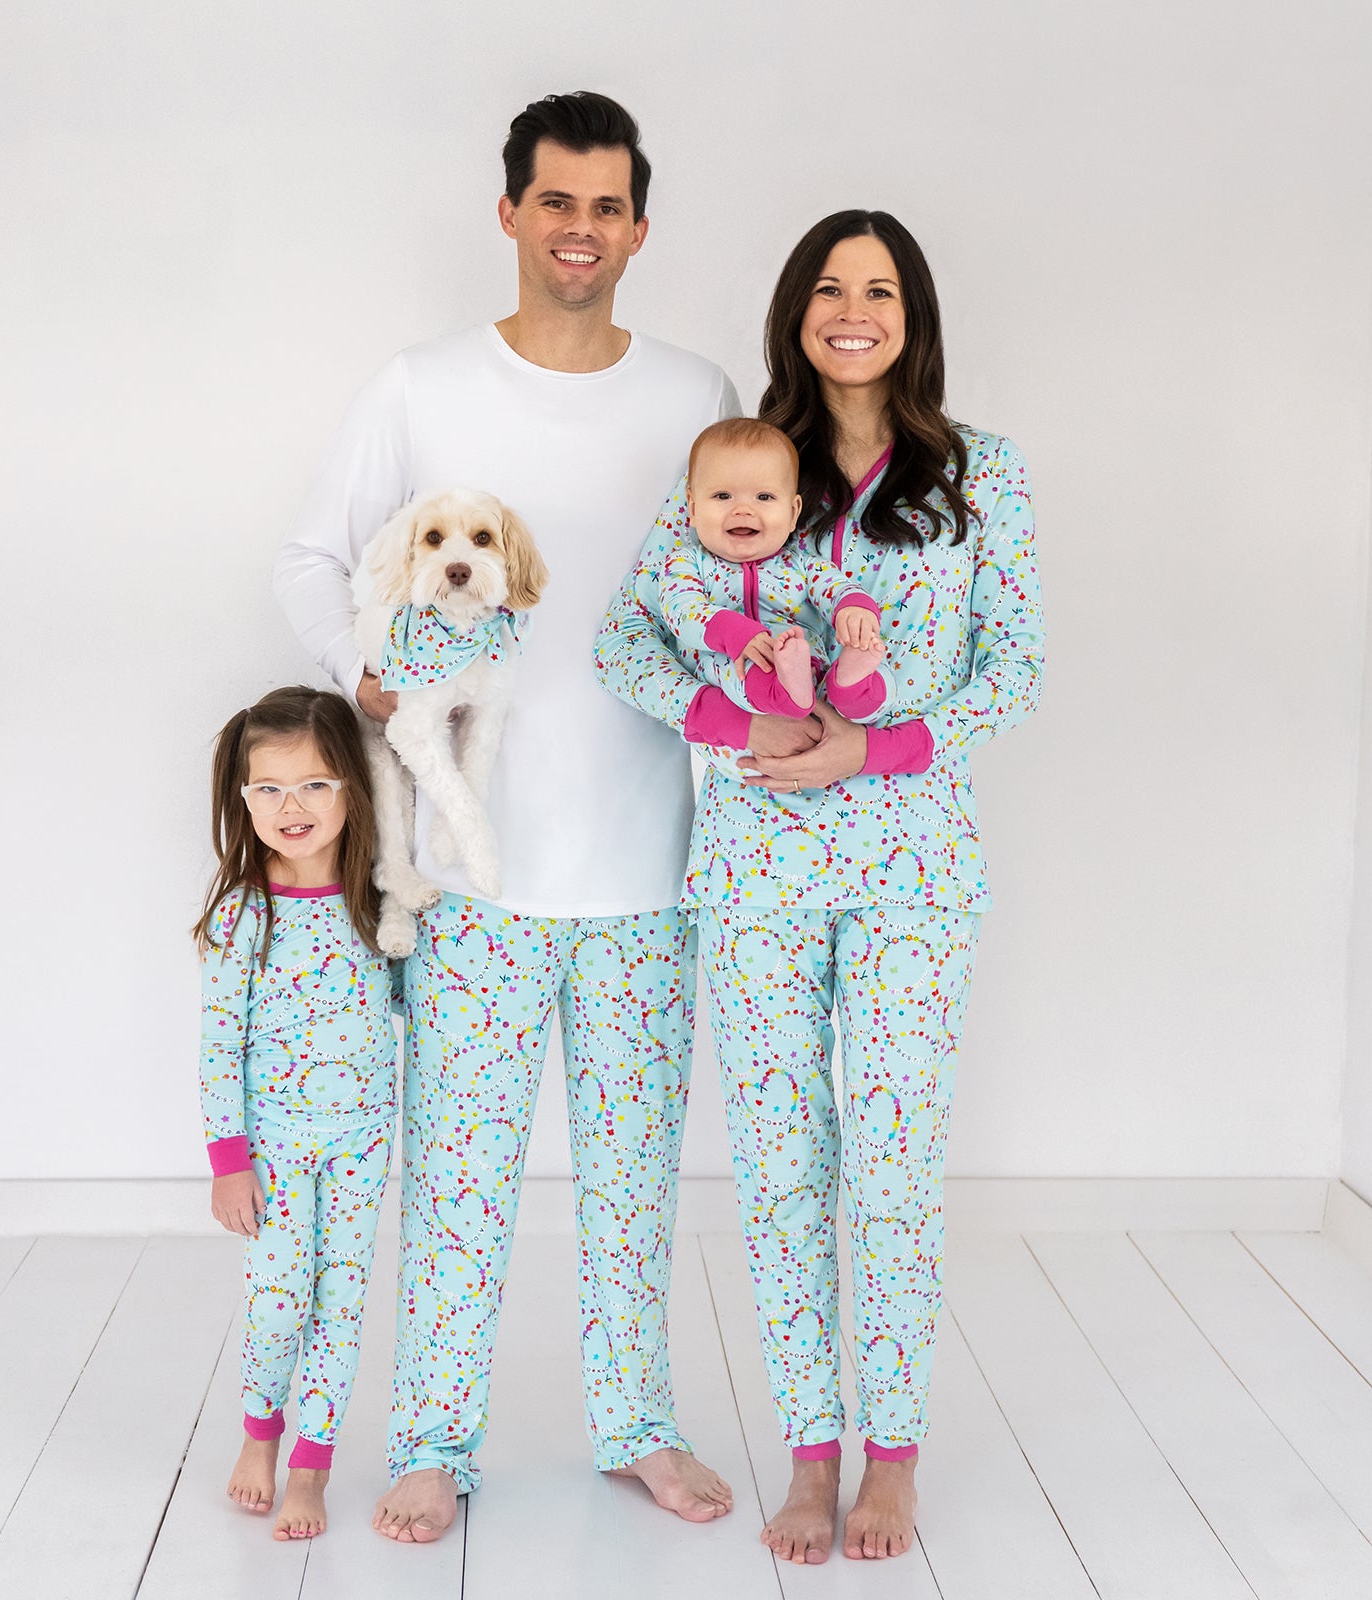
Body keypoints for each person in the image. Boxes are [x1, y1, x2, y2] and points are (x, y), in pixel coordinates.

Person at [273, 92, 739, 1543]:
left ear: (640, 227)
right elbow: (310, 557)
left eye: (606, 206)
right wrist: (377, 682)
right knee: (459, 1185)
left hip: (648, 863)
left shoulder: (696, 392)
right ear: (511, 213)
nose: (580, 229)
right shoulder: (421, 386)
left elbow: (736, 582)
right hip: (469, 883)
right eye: (556, 201)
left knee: (634, 1187)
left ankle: (639, 1427)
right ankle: (430, 1441)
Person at [594, 209, 1045, 1565]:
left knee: (896, 1169)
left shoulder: (981, 476)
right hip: (758, 881)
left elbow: (1013, 667)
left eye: (883, 288)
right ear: (795, 309)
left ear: (915, 313)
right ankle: (809, 1449)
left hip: (916, 876)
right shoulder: (740, 471)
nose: (856, 309)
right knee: (785, 1171)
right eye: (831, 288)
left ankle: (891, 1457)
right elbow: (627, 643)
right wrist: (735, 729)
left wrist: (876, 745)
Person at [196, 686, 395, 1541]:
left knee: (341, 1302)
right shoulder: (247, 913)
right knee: (281, 1300)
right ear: (244, 800)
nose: (293, 807)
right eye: (270, 789)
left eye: (315, 785)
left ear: (353, 787)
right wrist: (229, 1159)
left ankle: (312, 1467)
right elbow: (217, 1048)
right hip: (276, 1141)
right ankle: (259, 1435)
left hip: (362, 1140)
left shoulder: (380, 905)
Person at [657, 415, 895, 777]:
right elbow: (682, 611)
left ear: (793, 512)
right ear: (691, 508)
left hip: (806, 670)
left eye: (764, 497)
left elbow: (834, 585)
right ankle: (785, 688)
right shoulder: (687, 563)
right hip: (736, 682)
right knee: (731, 666)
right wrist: (736, 634)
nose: (743, 509)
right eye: (722, 496)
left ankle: (852, 684)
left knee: (881, 680)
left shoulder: (798, 562)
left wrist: (854, 610)